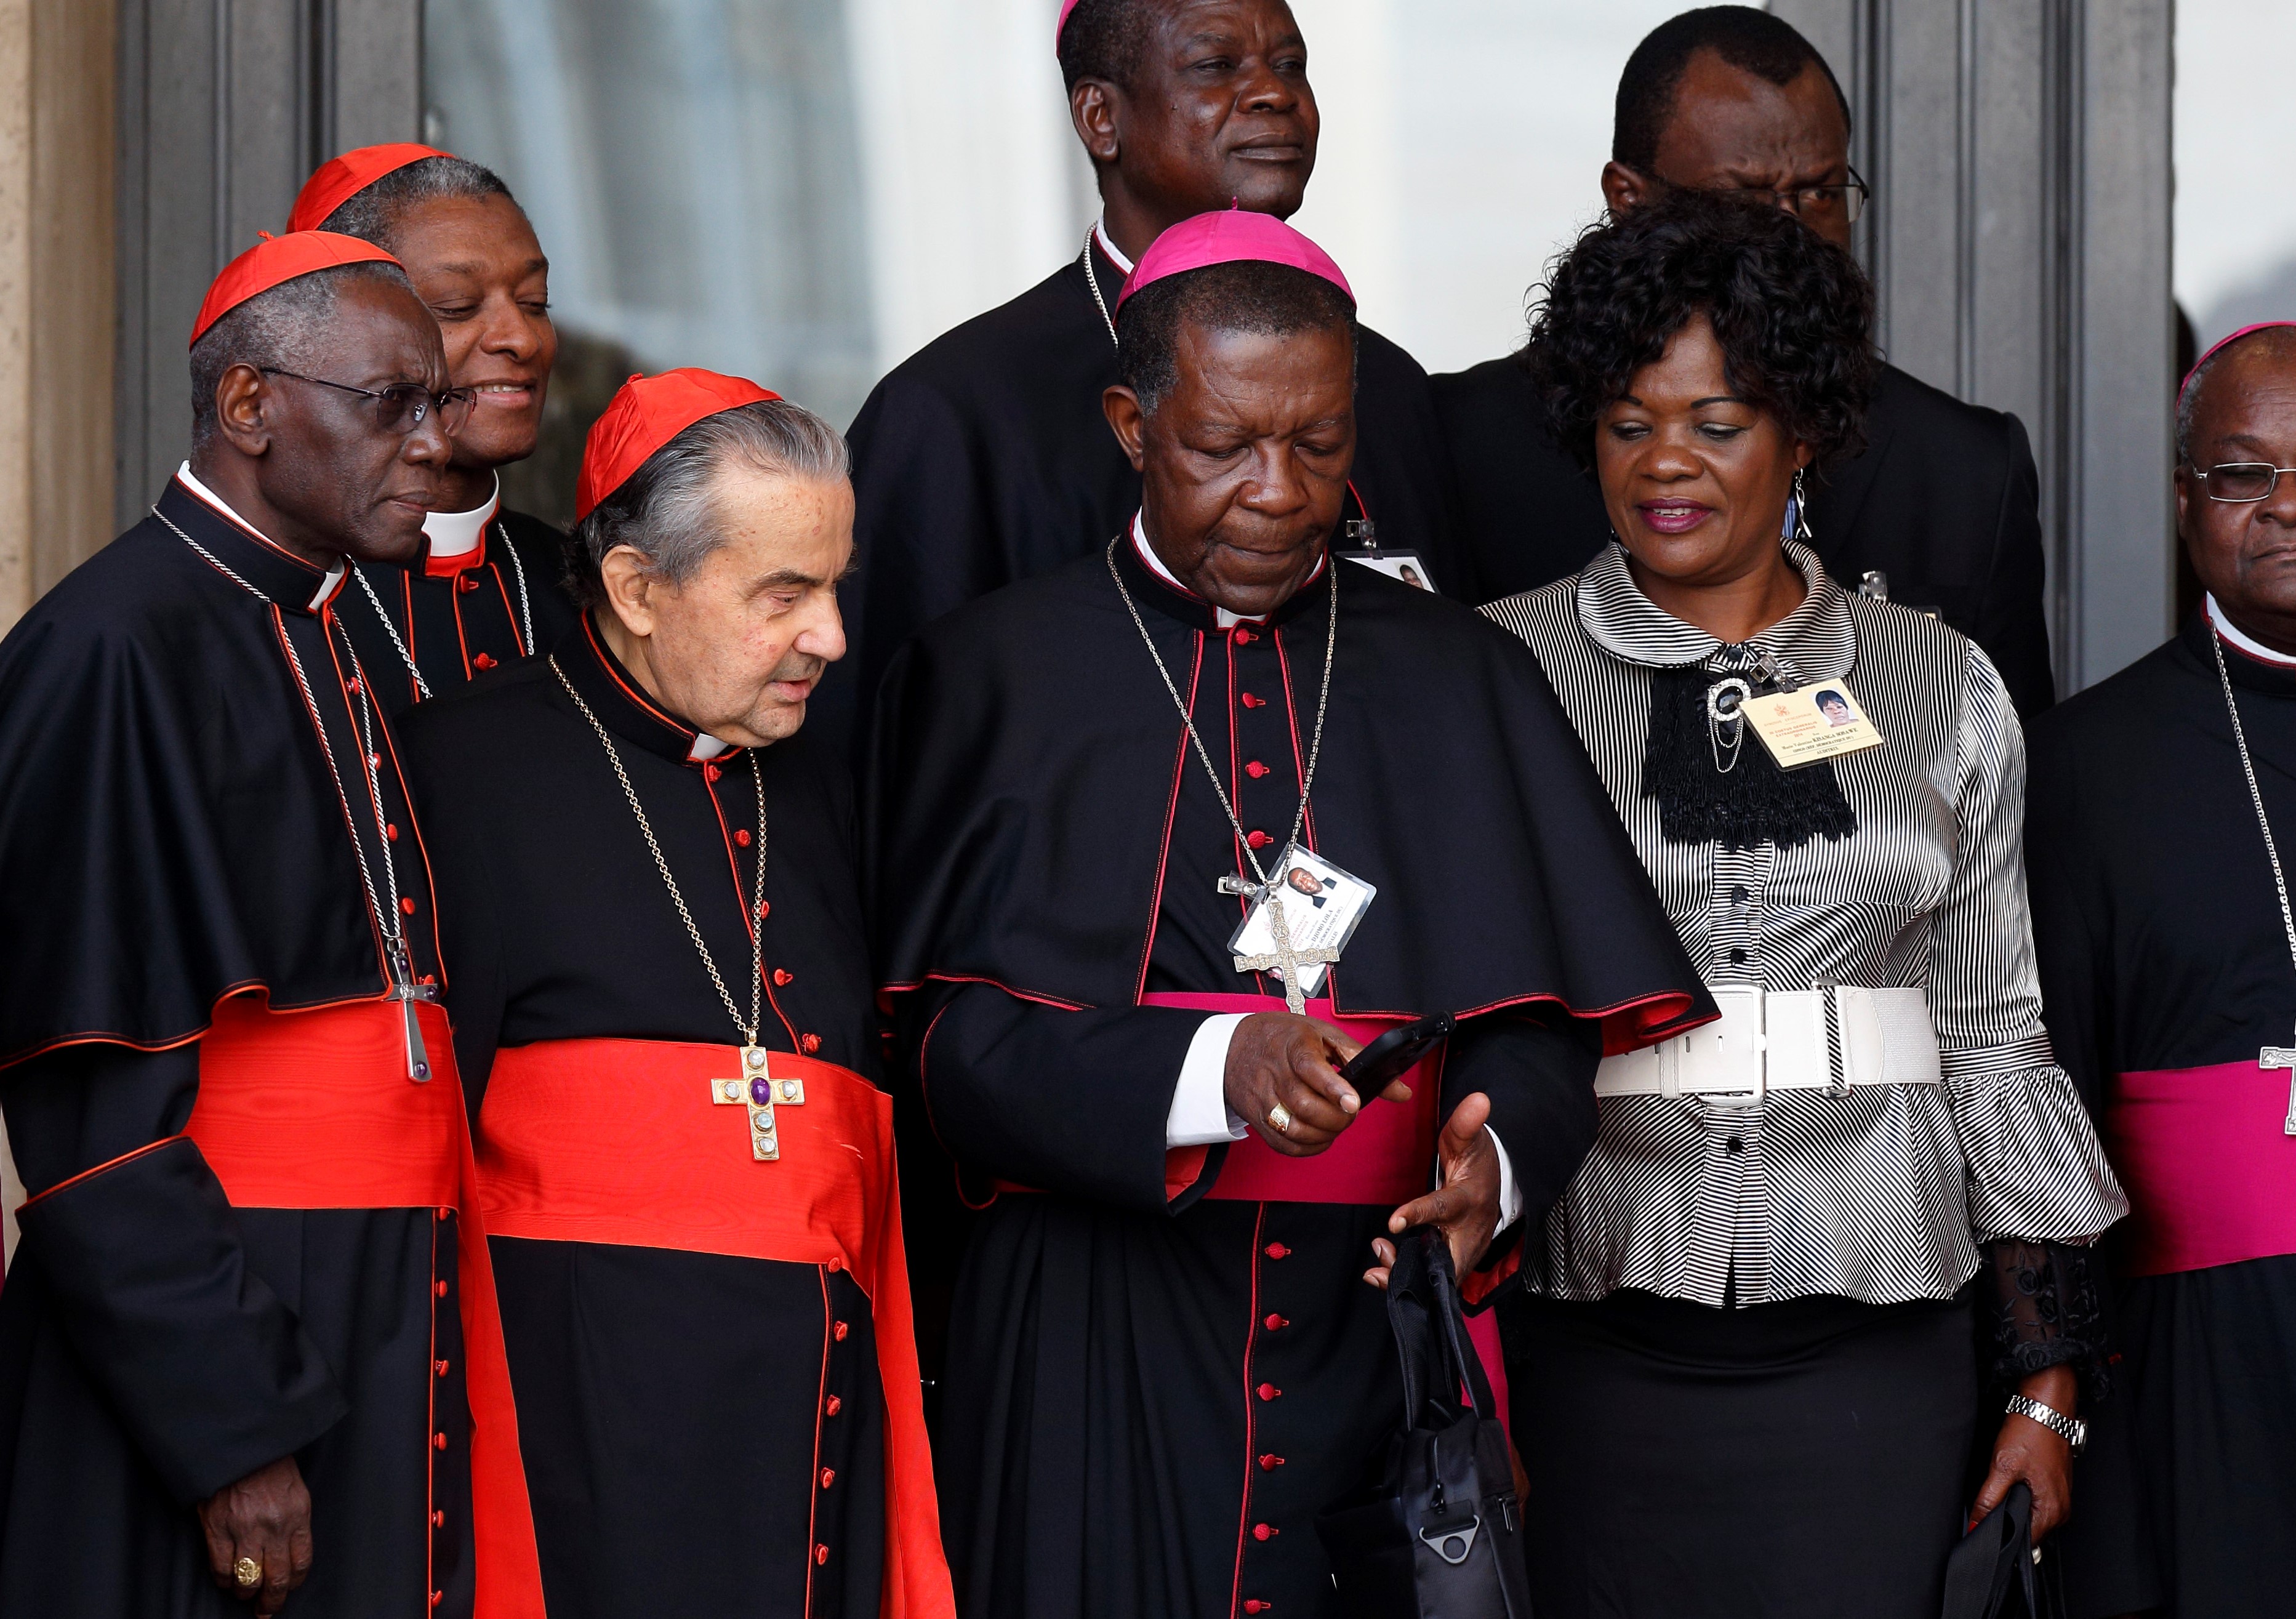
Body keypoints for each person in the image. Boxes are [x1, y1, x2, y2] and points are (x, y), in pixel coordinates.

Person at [865, 209, 1709, 1619]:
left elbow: (1543, 1026)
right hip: (1092, 1330)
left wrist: (1486, 1177)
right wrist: (1213, 1074)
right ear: (1132, 423)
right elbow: (949, 1057)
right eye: (1223, 446)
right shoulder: (995, 671)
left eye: (1320, 445)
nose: (1277, 490)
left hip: (1375, 1328)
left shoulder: (1462, 675)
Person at [1481, 194, 2125, 1617]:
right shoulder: (1493, 673)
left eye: (1716, 422)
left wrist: (2049, 1389)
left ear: (1803, 431)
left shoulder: (1935, 678)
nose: (1665, 463)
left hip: (1878, 1352)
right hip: (1588, 1351)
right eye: (1626, 420)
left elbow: (1993, 1033)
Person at [0, 233, 540, 1616]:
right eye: (391, 404)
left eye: (436, 401)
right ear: (250, 408)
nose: (435, 441)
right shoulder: (109, 646)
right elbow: (87, 1117)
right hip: (231, 1304)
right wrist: (228, 1422)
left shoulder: (340, 624)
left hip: (371, 1280)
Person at [401, 369, 951, 1618]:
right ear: (641, 591)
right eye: (783, 595)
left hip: (814, 1436)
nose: (831, 638)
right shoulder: (462, 772)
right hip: (575, 1441)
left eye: (834, 588)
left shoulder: (815, 783)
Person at [2029, 321, 2296, 1619]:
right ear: (2185, 498)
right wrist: (2050, 1372)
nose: (2289, 505)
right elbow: (2048, 1084)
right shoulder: (2085, 759)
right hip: (2189, 1348)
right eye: (2244, 474)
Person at [826, 0, 1462, 753]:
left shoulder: (1385, 380)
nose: (1273, 94)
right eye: (1216, 67)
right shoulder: (951, 409)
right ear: (1100, 117)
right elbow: (881, 742)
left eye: (1290, 66)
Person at [1433, 6, 2057, 716]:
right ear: (1626, 201)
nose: (1790, 234)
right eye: (1743, 200)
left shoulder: (1964, 468)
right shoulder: (1462, 440)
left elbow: (2011, 783)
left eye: (1821, 193)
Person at [289, 143, 579, 705]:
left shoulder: (588, 589)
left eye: (534, 302)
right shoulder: (265, 596)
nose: (520, 339)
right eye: (455, 307)